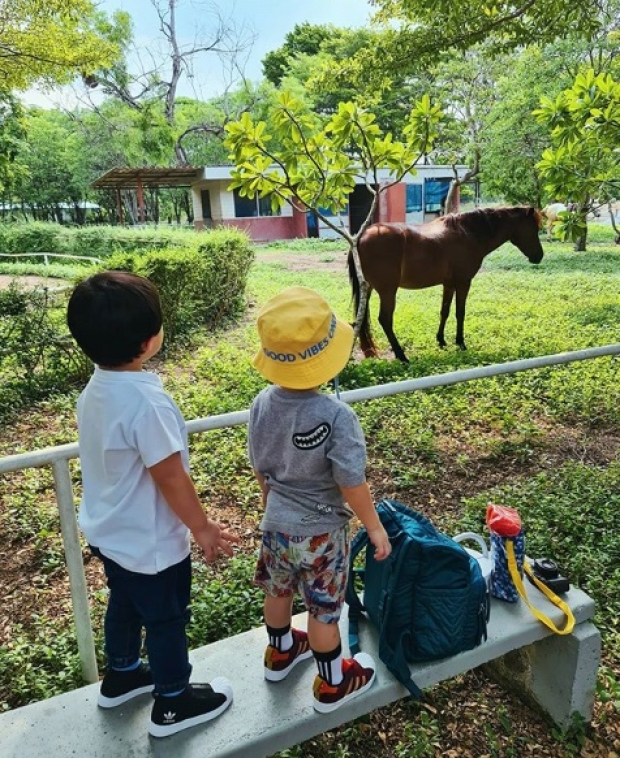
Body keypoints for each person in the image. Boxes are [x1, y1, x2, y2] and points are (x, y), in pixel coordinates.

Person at [66, 270, 239, 738]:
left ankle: (122, 674)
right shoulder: (147, 404)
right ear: (149, 340)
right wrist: (201, 527)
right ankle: (173, 701)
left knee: (124, 601)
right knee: (165, 618)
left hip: (110, 532)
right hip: (152, 544)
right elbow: (169, 476)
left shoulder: (95, 390)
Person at [247, 286, 392, 713]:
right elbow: (351, 481)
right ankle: (332, 684)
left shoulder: (260, 405)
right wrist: (374, 526)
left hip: (275, 527)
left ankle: (280, 652)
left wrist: (270, 504)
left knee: (277, 591)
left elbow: (261, 468)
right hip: (322, 536)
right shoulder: (336, 416)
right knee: (324, 610)